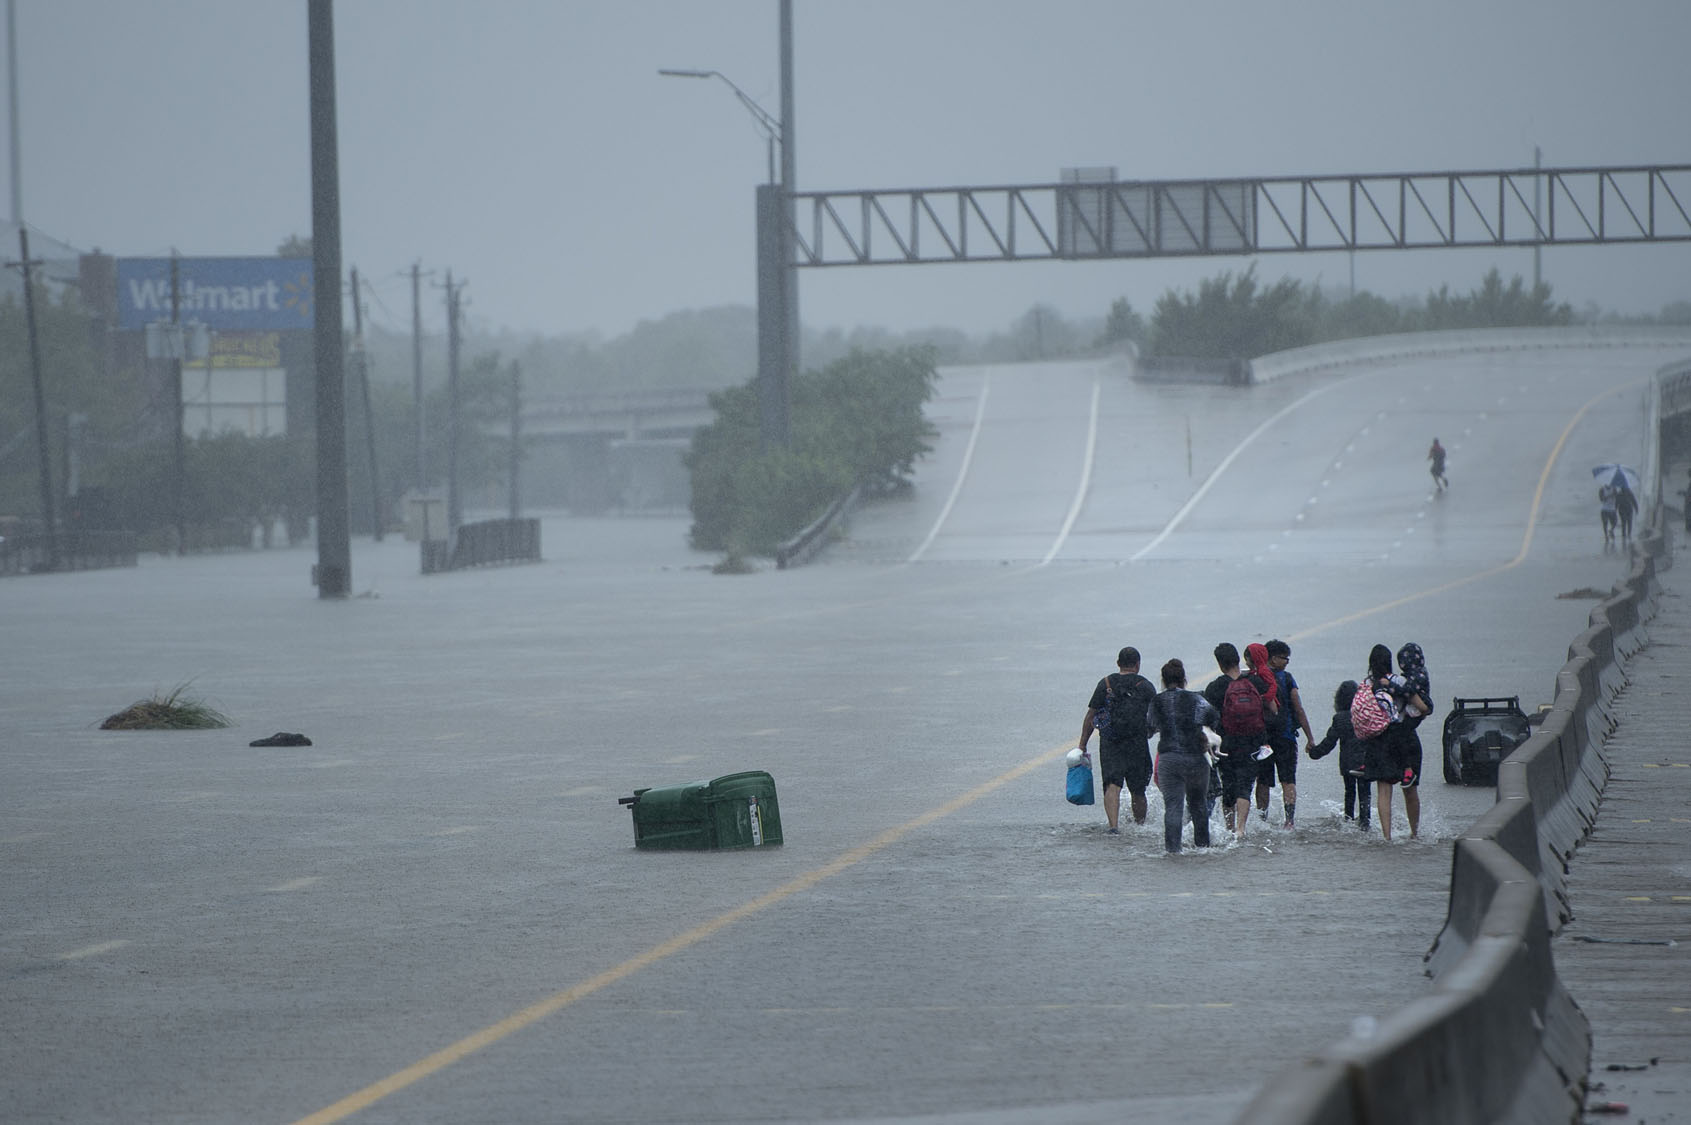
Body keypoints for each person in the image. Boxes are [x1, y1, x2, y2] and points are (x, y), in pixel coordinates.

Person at [1077, 647, 1158, 834]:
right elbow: (1156, 716)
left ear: (1118, 663)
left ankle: (1113, 827)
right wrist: (1151, 733)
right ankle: (1140, 827)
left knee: (1112, 784)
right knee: (1138, 789)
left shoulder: (1105, 684)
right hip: (1137, 742)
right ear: (1137, 664)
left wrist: (1082, 743)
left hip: (1110, 742)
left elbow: (1091, 715)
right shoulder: (1145, 685)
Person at [1145, 658, 1220, 853]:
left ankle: (1173, 851)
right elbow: (1213, 716)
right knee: (1199, 805)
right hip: (1196, 757)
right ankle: (1203, 849)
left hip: (1170, 759)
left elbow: (1149, 729)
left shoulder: (1157, 701)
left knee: (1173, 806)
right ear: (1183, 679)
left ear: (1163, 679)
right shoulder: (1196, 699)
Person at [1358, 644, 1429, 841]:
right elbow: (1422, 707)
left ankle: (1386, 836)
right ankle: (1415, 834)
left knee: (1384, 789)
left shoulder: (1366, 684)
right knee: (1410, 789)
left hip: (1379, 740)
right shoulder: (1400, 681)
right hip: (1405, 738)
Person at [1216, 642, 1279, 843]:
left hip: (1226, 742)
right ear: (1238, 659)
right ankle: (1241, 829)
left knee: (1228, 785)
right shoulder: (1255, 682)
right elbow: (1274, 710)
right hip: (1253, 741)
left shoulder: (1216, 686)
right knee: (1245, 784)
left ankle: (1229, 828)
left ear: (1220, 663)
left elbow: (1208, 718)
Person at [1258, 639, 1315, 828]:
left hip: (1263, 739)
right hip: (1286, 737)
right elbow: (1298, 708)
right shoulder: (1287, 678)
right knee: (1288, 779)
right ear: (1273, 658)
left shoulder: (1256, 678)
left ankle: (1262, 820)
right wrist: (1310, 737)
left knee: (1263, 781)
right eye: (1285, 658)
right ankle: (1289, 821)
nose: (1287, 662)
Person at [1308, 680, 1369, 831]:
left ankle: (1348, 820)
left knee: (1349, 792)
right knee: (1365, 793)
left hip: (1347, 763)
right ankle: (1365, 822)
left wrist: (1314, 752)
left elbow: (1329, 742)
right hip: (1364, 761)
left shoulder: (1340, 718)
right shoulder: (1364, 715)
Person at [1395, 642, 1434, 839]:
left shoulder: (1410, 681)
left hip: (1403, 740)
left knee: (1400, 789)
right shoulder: (1419, 675)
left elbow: (1420, 704)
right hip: (1410, 738)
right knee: (1410, 791)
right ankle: (1415, 832)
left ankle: (1413, 832)